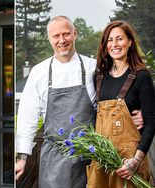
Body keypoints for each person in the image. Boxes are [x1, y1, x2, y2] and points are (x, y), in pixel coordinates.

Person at [15, 16, 144, 188]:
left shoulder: (94, 67)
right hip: (55, 157)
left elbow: (117, 95)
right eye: (56, 36)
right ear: (49, 39)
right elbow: (27, 116)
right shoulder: (39, 72)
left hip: (92, 156)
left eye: (66, 34)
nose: (62, 40)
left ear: (75, 33)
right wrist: (22, 157)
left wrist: (134, 114)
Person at [86, 21, 155, 187]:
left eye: (119, 39)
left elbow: (152, 121)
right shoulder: (99, 77)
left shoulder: (141, 76)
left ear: (130, 42)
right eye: (110, 40)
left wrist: (135, 161)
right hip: (102, 161)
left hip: (129, 162)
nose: (114, 44)